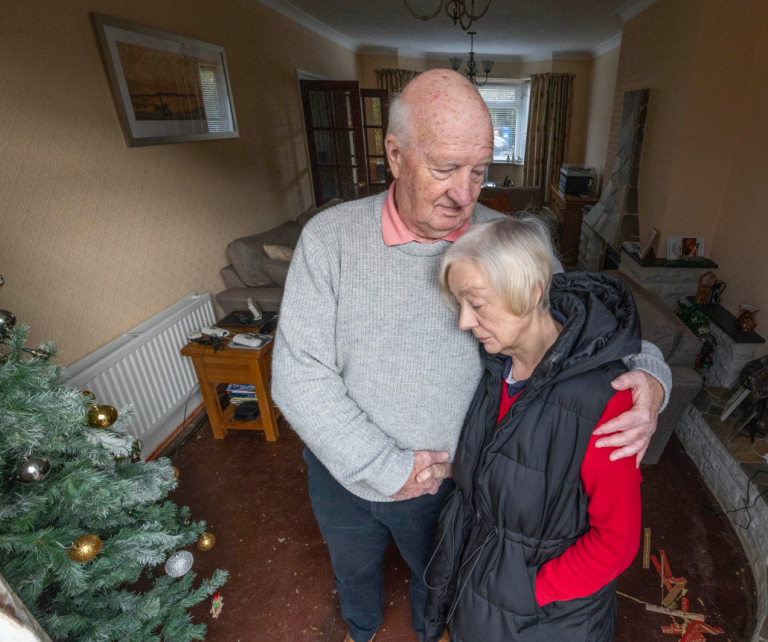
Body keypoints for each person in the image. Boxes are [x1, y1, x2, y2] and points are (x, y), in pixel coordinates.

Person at [271, 69, 671, 642]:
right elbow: (297, 376)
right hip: (342, 476)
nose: (466, 195)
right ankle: (359, 631)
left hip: (451, 487)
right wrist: (388, 468)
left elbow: (585, 329)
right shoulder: (329, 240)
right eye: (444, 169)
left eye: (479, 170)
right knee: (354, 578)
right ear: (396, 155)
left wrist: (652, 378)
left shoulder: (502, 239)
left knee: (439, 588)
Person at [423, 216, 642, 641]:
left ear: (532, 292)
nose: (464, 322)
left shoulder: (606, 398)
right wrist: (455, 470)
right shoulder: (494, 366)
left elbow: (616, 542)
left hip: (540, 620)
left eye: (477, 303)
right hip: (480, 597)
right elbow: (517, 462)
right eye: (459, 304)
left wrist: (530, 591)